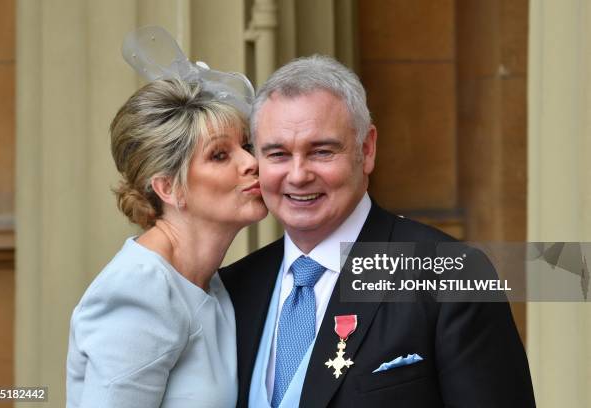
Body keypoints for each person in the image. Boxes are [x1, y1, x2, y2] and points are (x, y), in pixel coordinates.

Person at [219, 55, 536, 407]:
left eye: (321, 151)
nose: (298, 175)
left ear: (366, 149)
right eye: (278, 154)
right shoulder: (234, 288)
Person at [66, 27, 267, 408]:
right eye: (220, 155)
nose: (252, 163)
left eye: (245, 146)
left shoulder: (209, 284)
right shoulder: (138, 291)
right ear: (168, 188)